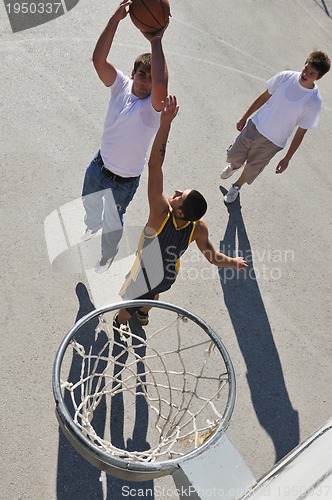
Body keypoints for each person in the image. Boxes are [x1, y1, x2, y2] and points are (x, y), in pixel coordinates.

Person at [113, 96, 248, 335]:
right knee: (154, 293)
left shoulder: (160, 215)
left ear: (179, 211)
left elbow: (155, 166)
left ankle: (121, 324)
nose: (175, 192)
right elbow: (214, 257)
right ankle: (144, 313)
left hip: (144, 273)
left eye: (179, 195)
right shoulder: (198, 228)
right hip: (167, 276)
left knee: (128, 303)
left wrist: (165, 124)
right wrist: (234, 262)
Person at [81, 0, 168, 273]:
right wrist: (115, 20)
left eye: (150, 78)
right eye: (142, 75)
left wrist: (156, 40)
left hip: (123, 182)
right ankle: (91, 224)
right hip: (99, 165)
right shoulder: (120, 85)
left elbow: (162, 84)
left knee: (113, 224)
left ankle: (107, 255)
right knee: (89, 204)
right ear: (133, 74)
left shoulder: (152, 110)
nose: (145, 81)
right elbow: (98, 60)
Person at [220, 51, 331, 203]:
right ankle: (234, 166)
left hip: (273, 141)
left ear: (318, 78)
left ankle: (237, 186)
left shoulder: (314, 102)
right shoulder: (285, 77)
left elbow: (300, 133)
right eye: (306, 68)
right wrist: (245, 117)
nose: (306, 73)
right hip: (256, 125)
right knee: (234, 155)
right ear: (305, 63)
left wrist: (287, 159)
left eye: (312, 73)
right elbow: (265, 96)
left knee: (252, 168)